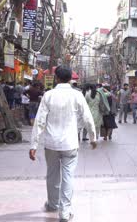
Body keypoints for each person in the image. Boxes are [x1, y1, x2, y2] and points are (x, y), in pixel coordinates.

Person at [29, 65, 97, 222]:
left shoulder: (48, 95)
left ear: (57, 78)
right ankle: (65, 212)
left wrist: (34, 145)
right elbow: (87, 118)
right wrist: (92, 138)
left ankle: (53, 204)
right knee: (68, 176)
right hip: (70, 143)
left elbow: (39, 121)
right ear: (70, 79)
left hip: (51, 143)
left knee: (52, 175)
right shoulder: (77, 95)